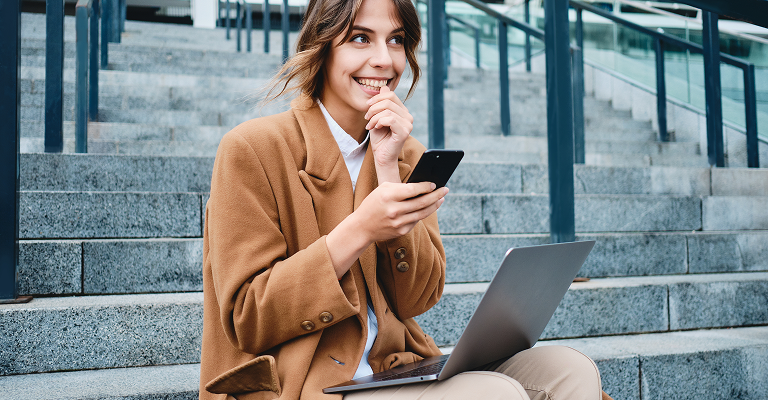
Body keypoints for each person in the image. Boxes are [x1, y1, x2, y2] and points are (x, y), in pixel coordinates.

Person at [199, 0, 611, 398]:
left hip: (395, 368)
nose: (384, 60)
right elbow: (247, 317)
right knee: (491, 393)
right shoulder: (253, 149)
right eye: (360, 38)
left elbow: (417, 298)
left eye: (396, 40)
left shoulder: (408, 153)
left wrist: (388, 169)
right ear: (321, 45)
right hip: (307, 382)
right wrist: (361, 229)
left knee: (569, 371)